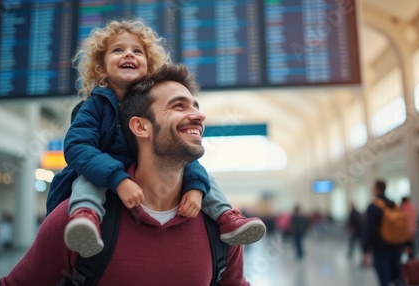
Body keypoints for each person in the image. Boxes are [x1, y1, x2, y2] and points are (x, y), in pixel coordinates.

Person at [0, 64, 249, 285]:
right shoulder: (75, 221)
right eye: (178, 106)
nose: (199, 115)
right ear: (140, 126)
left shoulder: (220, 228)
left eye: (195, 106)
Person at [58, 19, 265, 258]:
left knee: (197, 169)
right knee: (88, 179)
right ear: (102, 68)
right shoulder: (95, 105)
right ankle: (85, 219)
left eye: (137, 51)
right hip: (105, 171)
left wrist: (196, 189)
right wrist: (118, 179)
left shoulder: (152, 107)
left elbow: (183, 157)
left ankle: (225, 217)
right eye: (118, 50)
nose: (129, 54)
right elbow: (77, 146)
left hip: (144, 170)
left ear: (148, 67)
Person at [362, 179, 405, 286]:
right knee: (398, 278)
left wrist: (366, 249)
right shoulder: (394, 204)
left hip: (381, 248)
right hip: (397, 246)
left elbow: (370, 230)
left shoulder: (373, 207)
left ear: (376, 189)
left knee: (384, 280)